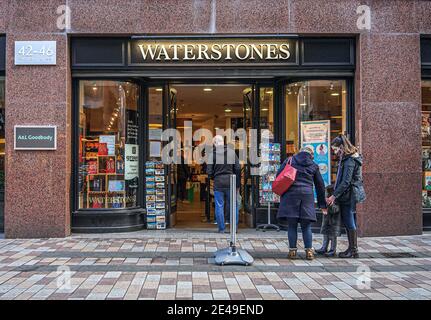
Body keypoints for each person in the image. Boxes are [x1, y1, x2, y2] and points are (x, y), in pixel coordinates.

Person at [276, 146, 327, 260]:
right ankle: (309, 251)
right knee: (306, 226)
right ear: (311, 154)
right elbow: (320, 186)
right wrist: (322, 204)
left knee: (292, 225)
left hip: (290, 196)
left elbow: (278, 176)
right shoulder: (313, 165)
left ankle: (292, 252)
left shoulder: (290, 160)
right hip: (307, 196)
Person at [326, 134, 366, 259]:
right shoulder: (348, 158)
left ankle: (353, 249)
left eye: (335, 149)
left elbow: (346, 181)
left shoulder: (349, 160)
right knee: (350, 220)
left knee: (349, 220)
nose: (335, 152)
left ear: (342, 147)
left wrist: (334, 196)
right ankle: (352, 249)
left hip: (348, 195)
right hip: (348, 194)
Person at [207, 135, 240, 234]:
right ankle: (234, 228)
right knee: (233, 205)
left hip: (218, 182)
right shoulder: (232, 152)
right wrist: (236, 180)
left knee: (219, 205)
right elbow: (238, 168)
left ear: (215, 143)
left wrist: (214, 176)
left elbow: (209, 171)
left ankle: (222, 229)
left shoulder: (212, 154)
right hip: (231, 181)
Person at [315, 184, 342, 257]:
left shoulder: (336, 201)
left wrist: (330, 204)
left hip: (334, 223)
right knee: (325, 235)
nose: (325, 196)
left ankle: (333, 250)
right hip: (327, 222)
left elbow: (335, 210)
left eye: (326, 194)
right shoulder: (326, 198)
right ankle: (324, 247)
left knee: (333, 237)